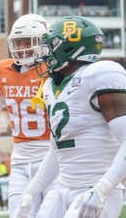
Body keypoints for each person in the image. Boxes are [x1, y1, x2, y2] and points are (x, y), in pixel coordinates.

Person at [14, 15, 126, 217]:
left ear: (68, 49)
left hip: (93, 187)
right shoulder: (50, 86)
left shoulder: (100, 74)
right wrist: (31, 192)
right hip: (61, 189)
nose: (45, 55)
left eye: (50, 47)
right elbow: (55, 150)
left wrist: (102, 188)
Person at [0, 14, 51, 217]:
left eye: (29, 41)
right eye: (19, 42)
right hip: (19, 157)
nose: (24, 47)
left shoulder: (54, 70)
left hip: (50, 155)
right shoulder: (2, 70)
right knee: (17, 214)